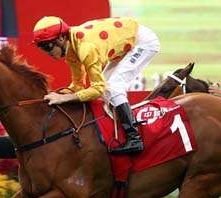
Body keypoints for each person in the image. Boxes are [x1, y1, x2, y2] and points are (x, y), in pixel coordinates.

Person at [32, 16, 161, 155]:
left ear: (61, 38)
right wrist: (58, 95)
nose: (46, 53)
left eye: (47, 46)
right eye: (41, 47)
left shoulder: (85, 48)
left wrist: (65, 98)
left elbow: (98, 89)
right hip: (129, 39)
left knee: (113, 87)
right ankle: (119, 130)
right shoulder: (71, 49)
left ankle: (134, 138)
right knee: (108, 88)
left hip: (143, 42)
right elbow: (78, 85)